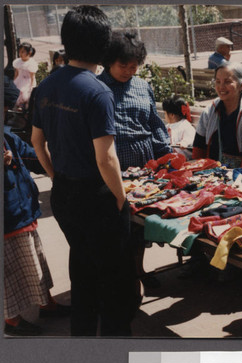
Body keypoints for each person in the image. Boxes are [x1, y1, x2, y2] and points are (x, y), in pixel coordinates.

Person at [31, 5, 139, 336]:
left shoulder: (46, 86)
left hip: (64, 194)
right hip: (97, 198)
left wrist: (55, 177)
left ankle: (82, 346)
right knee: (116, 287)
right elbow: (106, 159)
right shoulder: (97, 91)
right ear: (103, 45)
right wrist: (121, 200)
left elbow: (37, 142)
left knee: (82, 272)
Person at [3, 75, 70, 336]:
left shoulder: (8, 136)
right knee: (11, 273)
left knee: (35, 263)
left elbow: (32, 153)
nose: (5, 112)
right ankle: (12, 321)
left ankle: (47, 303)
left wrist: (57, 154)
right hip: (7, 219)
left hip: (23, 212)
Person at [98, 31, 171, 171]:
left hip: (145, 161)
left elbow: (154, 123)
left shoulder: (143, 86)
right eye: (123, 66)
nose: (128, 71)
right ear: (109, 62)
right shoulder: (97, 88)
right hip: (112, 161)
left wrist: (166, 153)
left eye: (133, 67)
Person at [193, 61, 242, 169]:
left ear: (241, 85)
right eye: (217, 81)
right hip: (208, 176)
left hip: (240, 178)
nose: (221, 87)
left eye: (227, 81)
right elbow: (198, 149)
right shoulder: (210, 111)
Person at [13, 42, 37, 109]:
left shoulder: (31, 63)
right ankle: (17, 108)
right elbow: (16, 74)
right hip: (19, 80)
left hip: (27, 82)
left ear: (29, 52)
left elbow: (32, 77)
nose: (20, 54)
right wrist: (13, 82)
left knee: (25, 95)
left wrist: (32, 86)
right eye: (19, 51)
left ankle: (25, 108)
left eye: (22, 52)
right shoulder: (17, 62)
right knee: (16, 93)